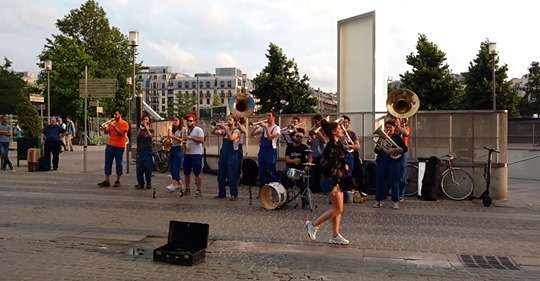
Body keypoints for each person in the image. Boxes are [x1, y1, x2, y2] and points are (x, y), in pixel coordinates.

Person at [305, 121, 349, 245]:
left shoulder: (337, 143)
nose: (342, 130)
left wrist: (344, 165)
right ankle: (313, 225)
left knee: (338, 209)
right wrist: (335, 183)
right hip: (331, 180)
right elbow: (330, 167)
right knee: (337, 208)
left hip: (337, 178)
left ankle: (335, 235)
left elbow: (338, 161)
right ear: (334, 132)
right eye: (339, 128)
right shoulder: (331, 146)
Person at [373, 120, 408, 209]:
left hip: (393, 162)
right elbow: (376, 150)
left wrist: (394, 150)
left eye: (390, 127)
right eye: (387, 127)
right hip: (382, 161)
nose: (388, 129)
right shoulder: (383, 137)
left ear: (394, 128)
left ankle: (395, 201)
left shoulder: (397, 138)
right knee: (379, 181)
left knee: (394, 181)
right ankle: (378, 200)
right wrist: (378, 146)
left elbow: (404, 149)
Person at [97, 109, 129, 188]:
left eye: (116, 114)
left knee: (119, 163)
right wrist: (105, 126)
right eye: (114, 115)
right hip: (110, 145)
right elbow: (106, 132)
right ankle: (107, 180)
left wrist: (114, 126)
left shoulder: (124, 123)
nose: (114, 116)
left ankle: (118, 180)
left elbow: (121, 134)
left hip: (120, 146)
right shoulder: (112, 123)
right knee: (108, 162)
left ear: (120, 115)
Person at [212, 114, 241, 200]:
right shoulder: (225, 131)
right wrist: (217, 126)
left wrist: (225, 128)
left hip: (232, 156)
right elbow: (213, 133)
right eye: (227, 120)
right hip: (224, 155)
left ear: (234, 121)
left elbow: (231, 138)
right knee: (220, 176)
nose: (228, 121)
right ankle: (221, 193)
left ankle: (234, 194)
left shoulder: (237, 131)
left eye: (230, 120)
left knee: (232, 176)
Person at [250, 111, 281, 188]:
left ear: (274, 117)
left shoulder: (276, 128)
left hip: (271, 152)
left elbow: (270, 137)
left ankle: (273, 191)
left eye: (269, 116)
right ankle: (262, 192)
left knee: (271, 172)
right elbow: (252, 135)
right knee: (262, 172)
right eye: (267, 116)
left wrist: (266, 127)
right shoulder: (263, 128)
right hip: (262, 152)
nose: (267, 118)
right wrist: (256, 127)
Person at [281, 131, 311, 208]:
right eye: (297, 136)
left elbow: (310, 157)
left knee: (304, 178)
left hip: (301, 167)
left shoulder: (304, 147)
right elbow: (287, 160)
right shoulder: (289, 147)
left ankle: (304, 199)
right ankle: (286, 194)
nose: (299, 138)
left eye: (301, 137)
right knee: (283, 173)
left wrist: (308, 165)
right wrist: (294, 161)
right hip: (290, 167)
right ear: (294, 137)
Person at [182, 113, 205, 197]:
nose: (188, 122)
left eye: (190, 121)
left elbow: (202, 140)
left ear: (194, 122)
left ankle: (199, 189)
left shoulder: (198, 130)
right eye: (187, 121)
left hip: (196, 154)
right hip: (187, 153)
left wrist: (191, 138)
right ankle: (187, 188)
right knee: (186, 173)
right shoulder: (186, 130)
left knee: (197, 173)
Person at [389, 115, 410, 201]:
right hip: (392, 151)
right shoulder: (392, 128)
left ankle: (400, 194)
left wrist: (397, 126)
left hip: (402, 153)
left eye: (395, 118)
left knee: (402, 174)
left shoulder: (406, 128)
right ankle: (393, 192)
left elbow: (406, 133)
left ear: (400, 119)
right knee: (392, 173)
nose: (393, 119)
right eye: (392, 118)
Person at [307, 114, 328, 193]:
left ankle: (321, 189)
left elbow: (325, 141)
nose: (315, 123)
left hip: (321, 153)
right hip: (314, 153)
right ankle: (314, 188)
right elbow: (309, 143)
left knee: (320, 172)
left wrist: (318, 132)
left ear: (320, 121)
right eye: (314, 122)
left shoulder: (324, 130)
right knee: (314, 172)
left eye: (316, 121)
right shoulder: (312, 129)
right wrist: (309, 140)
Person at [165, 116, 185, 193]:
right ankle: (179, 184)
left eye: (176, 120)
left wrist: (173, 137)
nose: (174, 121)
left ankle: (173, 184)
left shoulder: (182, 129)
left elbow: (183, 140)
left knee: (175, 166)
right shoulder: (173, 129)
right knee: (172, 166)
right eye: (173, 120)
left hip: (178, 148)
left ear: (180, 121)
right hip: (172, 148)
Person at [135, 115, 154, 189]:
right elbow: (136, 136)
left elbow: (151, 136)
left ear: (149, 121)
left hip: (148, 150)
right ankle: (141, 183)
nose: (145, 120)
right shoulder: (139, 129)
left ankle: (148, 183)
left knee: (148, 168)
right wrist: (141, 129)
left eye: (146, 119)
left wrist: (147, 129)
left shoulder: (151, 130)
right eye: (144, 119)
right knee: (139, 169)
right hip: (140, 151)